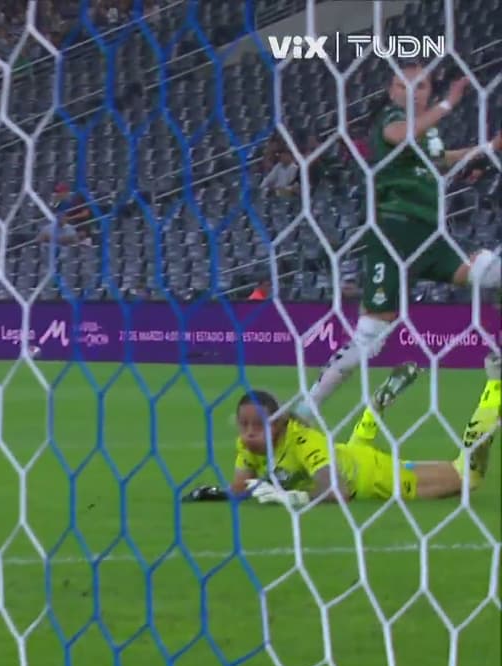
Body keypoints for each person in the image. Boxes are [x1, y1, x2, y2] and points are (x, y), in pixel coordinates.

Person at [293, 66, 502, 420]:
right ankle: (306, 408)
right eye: (403, 85)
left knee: (492, 273)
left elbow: (445, 159)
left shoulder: (428, 134)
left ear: (428, 92)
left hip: (430, 236)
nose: (412, 91)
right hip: (394, 235)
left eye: (421, 86)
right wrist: (449, 103)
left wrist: (490, 147)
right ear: (392, 93)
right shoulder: (391, 119)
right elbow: (400, 136)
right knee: (370, 337)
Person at [187, 355, 500, 506]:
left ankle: (495, 384)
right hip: (350, 456)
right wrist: (214, 494)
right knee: (354, 452)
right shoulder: (249, 445)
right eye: (244, 425)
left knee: (466, 478)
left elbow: (339, 492)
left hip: (374, 478)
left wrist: (291, 497)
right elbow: (241, 487)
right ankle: (374, 408)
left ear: (280, 423)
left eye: (258, 425)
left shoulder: (303, 441)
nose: (249, 433)